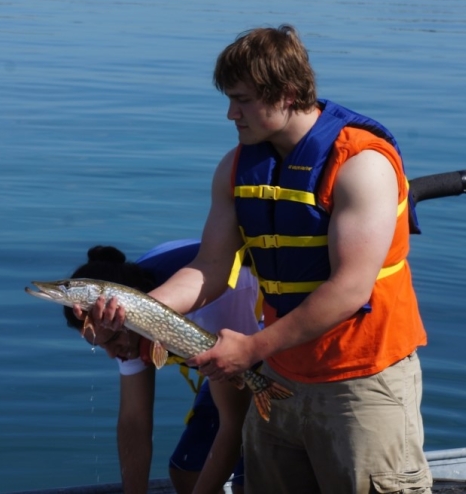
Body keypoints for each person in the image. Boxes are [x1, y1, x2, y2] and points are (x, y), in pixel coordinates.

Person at [87, 25, 432, 493]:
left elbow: (350, 290)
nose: (231, 113)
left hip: (362, 383)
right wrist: (136, 311)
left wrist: (251, 350)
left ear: (288, 94)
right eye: (229, 99)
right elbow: (209, 269)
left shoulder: (361, 165)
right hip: (281, 377)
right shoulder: (236, 167)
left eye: (243, 100)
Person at [64, 240, 260, 494]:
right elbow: (134, 421)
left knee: (250, 482)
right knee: (186, 471)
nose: (112, 354)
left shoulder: (208, 308)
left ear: (129, 310)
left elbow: (232, 423)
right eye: (99, 345)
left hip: (265, 336)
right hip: (214, 345)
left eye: (112, 340)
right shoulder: (120, 321)